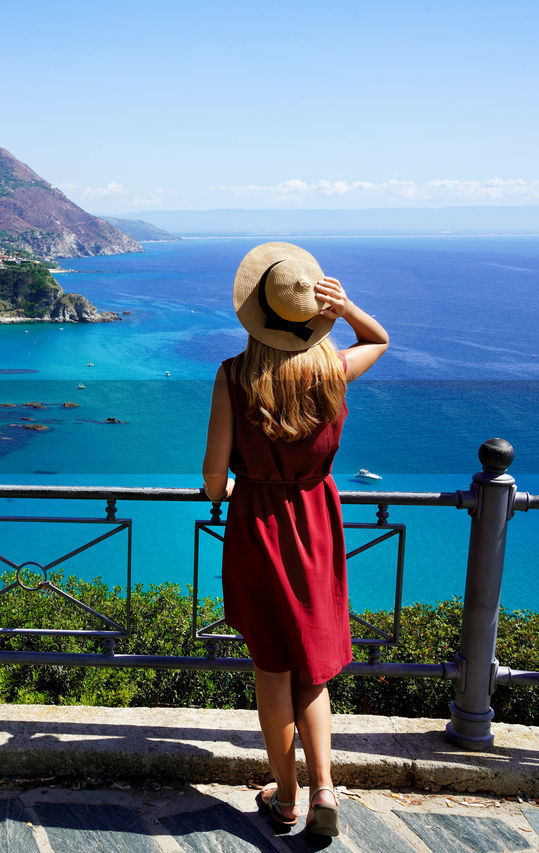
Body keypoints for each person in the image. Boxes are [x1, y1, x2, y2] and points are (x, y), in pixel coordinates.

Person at [201, 242, 388, 837]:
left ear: (256, 313)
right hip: (315, 522)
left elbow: (213, 478)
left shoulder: (233, 376)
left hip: (257, 524)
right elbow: (379, 340)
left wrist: (229, 490)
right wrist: (347, 308)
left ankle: (286, 796)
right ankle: (326, 789)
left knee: (273, 668)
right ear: (312, 312)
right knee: (313, 668)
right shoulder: (332, 370)